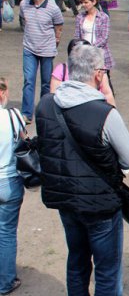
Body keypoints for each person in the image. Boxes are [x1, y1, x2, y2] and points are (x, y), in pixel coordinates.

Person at [35, 44, 129, 296]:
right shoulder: (104, 113)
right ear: (98, 74)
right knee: (107, 271)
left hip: (64, 199)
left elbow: (49, 146)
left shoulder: (46, 105)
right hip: (100, 203)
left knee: (77, 259)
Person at [19, 0, 64, 124]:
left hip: (47, 51)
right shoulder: (24, 4)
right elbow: (24, 21)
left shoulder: (53, 8)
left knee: (46, 83)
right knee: (29, 81)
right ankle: (26, 114)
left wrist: (55, 41)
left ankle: (44, 112)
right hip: (29, 49)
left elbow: (58, 27)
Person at [0, 77, 26, 295]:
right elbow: (24, 141)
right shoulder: (13, 116)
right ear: (2, 93)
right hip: (9, 181)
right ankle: (5, 281)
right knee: (7, 232)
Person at [50, 39, 116, 106]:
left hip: (95, 105)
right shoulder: (61, 69)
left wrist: (112, 110)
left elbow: (107, 93)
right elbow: (54, 95)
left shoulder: (99, 69)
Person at [74, 0, 115, 85]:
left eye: (86, 2)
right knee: (85, 81)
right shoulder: (80, 17)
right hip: (83, 53)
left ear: (94, 2)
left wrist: (90, 47)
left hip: (99, 53)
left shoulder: (103, 17)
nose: (83, 5)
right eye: (82, 2)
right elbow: (77, 36)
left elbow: (104, 38)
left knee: (104, 82)